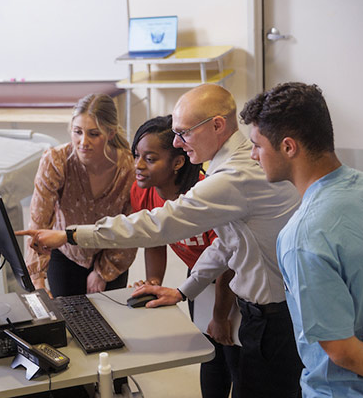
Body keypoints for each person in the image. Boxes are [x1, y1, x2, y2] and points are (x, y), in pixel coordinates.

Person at [17, 84, 304, 397]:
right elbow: (226, 244)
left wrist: (70, 234)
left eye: (184, 133)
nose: (178, 142)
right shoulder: (229, 165)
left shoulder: (231, 177)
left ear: (217, 125)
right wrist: (182, 290)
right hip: (266, 311)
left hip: (272, 315)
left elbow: (158, 225)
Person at [241, 82, 363, 396]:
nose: (253, 156)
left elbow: (343, 351)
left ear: (288, 147)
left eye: (257, 145)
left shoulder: (302, 237)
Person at [128, 115, 239, 398]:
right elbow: (155, 237)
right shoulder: (143, 190)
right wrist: (153, 281)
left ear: (178, 162)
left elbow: (227, 259)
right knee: (209, 353)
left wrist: (220, 315)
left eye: (149, 159)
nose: (138, 166)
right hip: (199, 278)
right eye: (136, 156)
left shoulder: (206, 192)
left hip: (235, 278)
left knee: (233, 356)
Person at [23, 93, 136, 297]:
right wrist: (37, 278)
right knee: (64, 314)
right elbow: (39, 222)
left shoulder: (129, 168)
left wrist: (102, 273)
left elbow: (130, 227)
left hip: (111, 253)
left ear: (110, 133)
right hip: (65, 253)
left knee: (109, 316)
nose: (83, 142)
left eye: (94, 134)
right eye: (77, 132)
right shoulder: (56, 161)